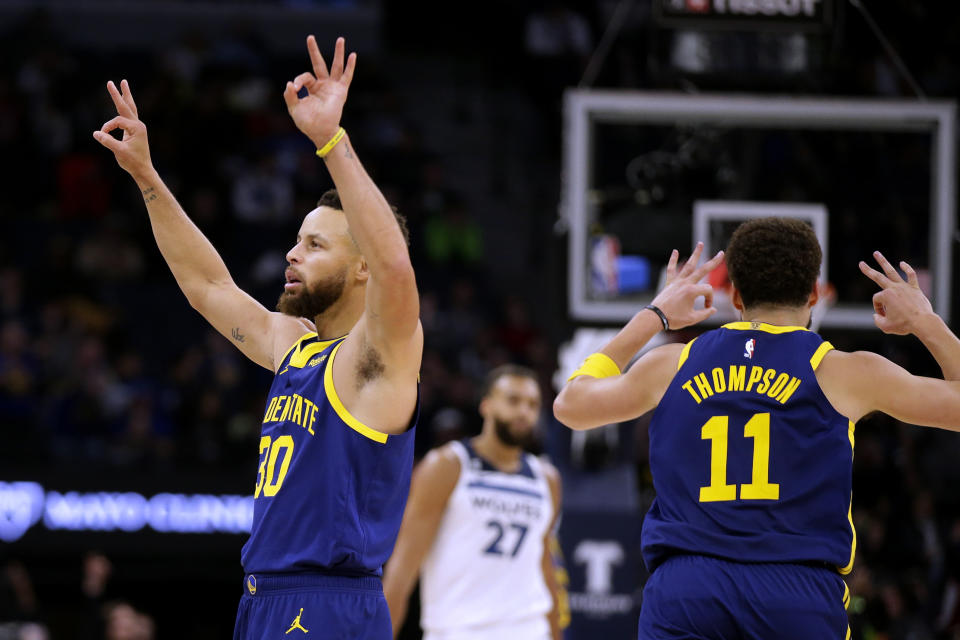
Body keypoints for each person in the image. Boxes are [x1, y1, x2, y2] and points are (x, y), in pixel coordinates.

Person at [94, 36, 422, 639]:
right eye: (297, 240)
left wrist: (332, 141)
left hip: (328, 602)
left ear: (362, 267)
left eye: (315, 245)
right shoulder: (294, 345)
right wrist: (144, 175)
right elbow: (206, 285)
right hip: (262, 596)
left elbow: (398, 270)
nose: (291, 256)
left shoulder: (378, 360)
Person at [553, 218, 960, 639]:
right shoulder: (846, 372)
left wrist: (654, 316)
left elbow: (571, 406)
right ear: (815, 295)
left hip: (687, 590)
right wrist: (924, 322)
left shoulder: (673, 363)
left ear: (736, 297)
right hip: (796, 591)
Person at [383, 365, 563, 640]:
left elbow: (545, 567)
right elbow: (403, 569)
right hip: (457, 630)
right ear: (486, 405)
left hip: (529, 629)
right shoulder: (447, 466)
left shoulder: (546, 479)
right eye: (513, 400)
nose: (524, 412)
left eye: (532, 404)